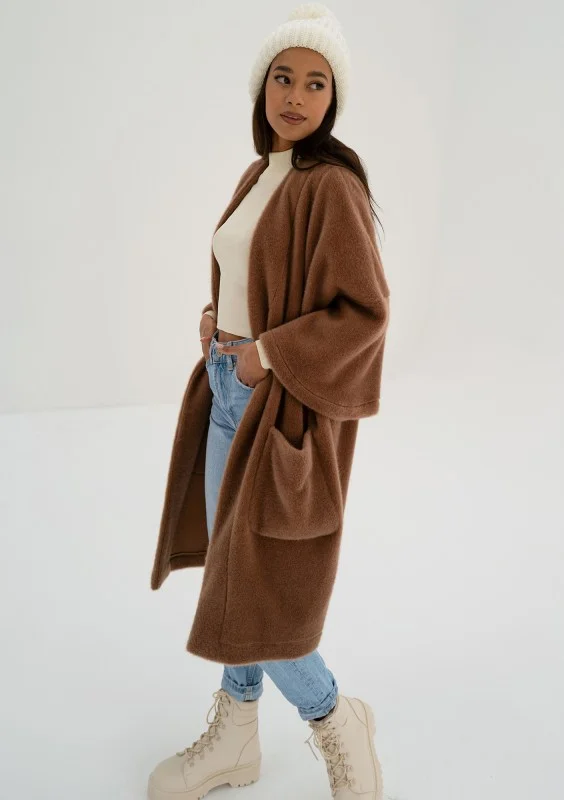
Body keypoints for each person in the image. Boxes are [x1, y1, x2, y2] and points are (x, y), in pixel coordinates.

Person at [148, 5, 390, 799]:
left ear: (333, 100)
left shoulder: (332, 186)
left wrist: (271, 354)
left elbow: (364, 311)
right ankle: (238, 734)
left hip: (276, 407)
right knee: (233, 575)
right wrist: (220, 320)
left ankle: (335, 719)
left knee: (263, 588)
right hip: (228, 388)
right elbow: (252, 270)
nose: (296, 95)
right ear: (262, 89)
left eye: (316, 83)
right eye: (284, 78)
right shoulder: (258, 176)